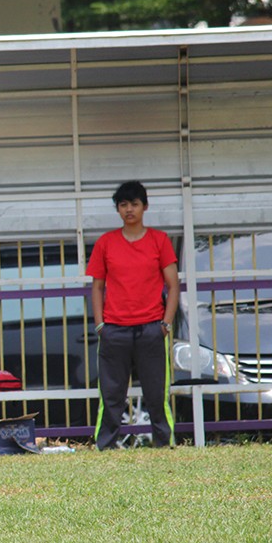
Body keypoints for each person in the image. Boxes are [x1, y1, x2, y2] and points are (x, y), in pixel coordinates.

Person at [87, 180, 179, 450]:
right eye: (124, 205)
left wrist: (166, 323)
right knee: (111, 394)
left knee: (157, 393)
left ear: (144, 207)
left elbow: (173, 285)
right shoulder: (106, 243)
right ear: (118, 209)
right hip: (114, 329)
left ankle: (164, 443)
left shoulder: (159, 241)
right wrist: (100, 324)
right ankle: (105, 445)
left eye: (134, 204)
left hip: (151, 328)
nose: (129, 210)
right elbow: (97, 286)